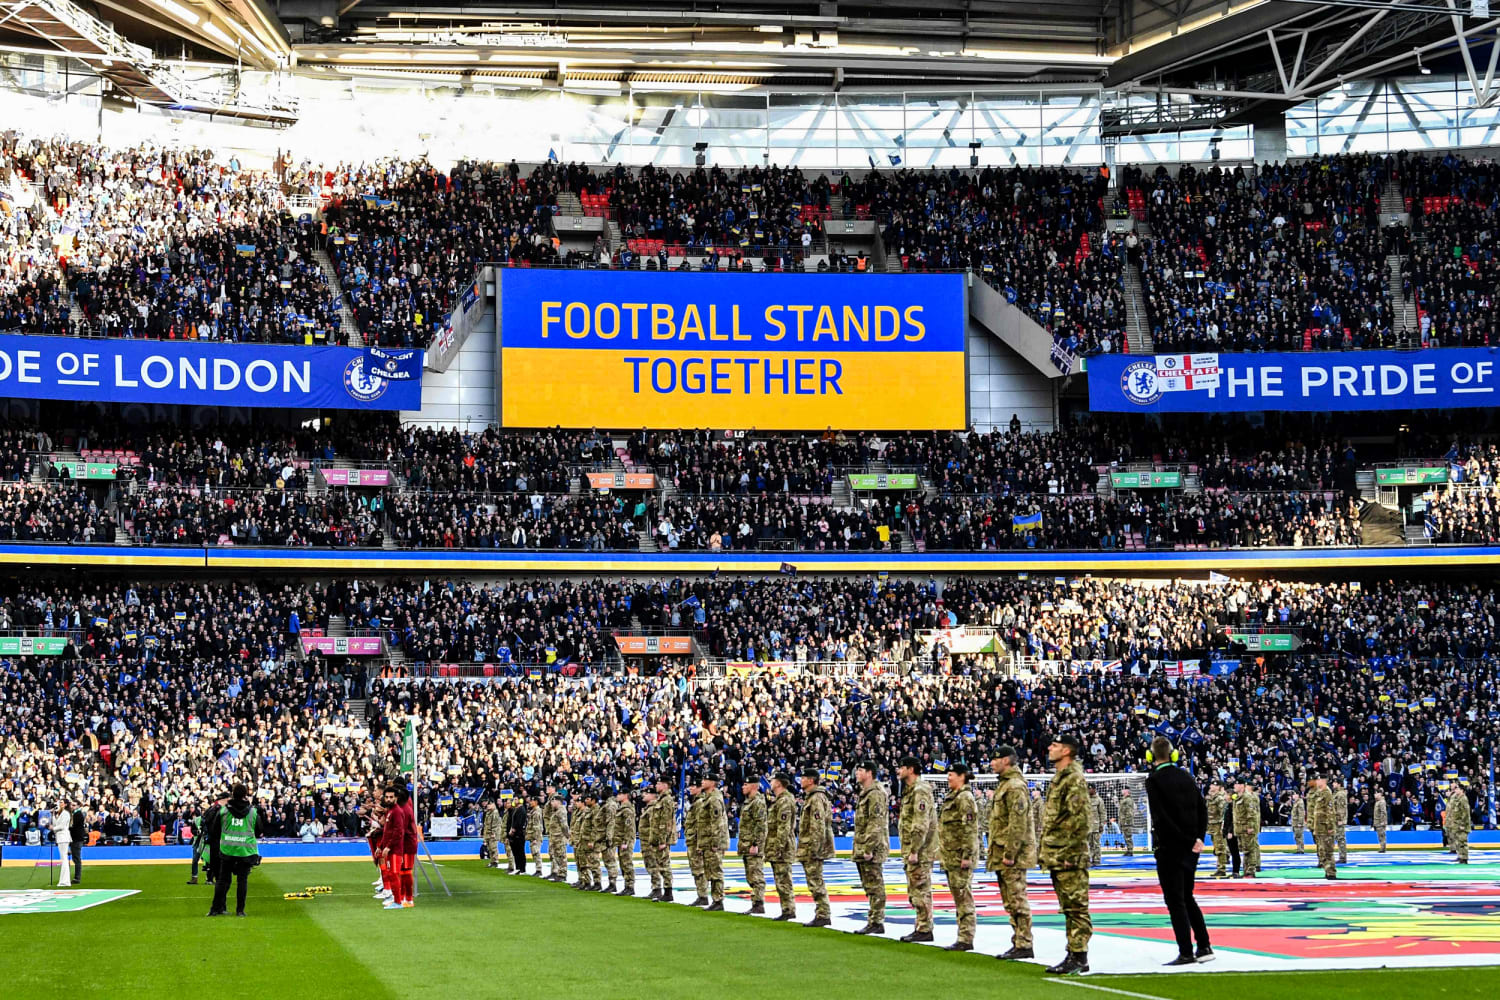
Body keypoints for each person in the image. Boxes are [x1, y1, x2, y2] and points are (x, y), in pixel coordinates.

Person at [1143, 737, 1213, 966]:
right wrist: (1198, 838)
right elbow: (1202, 809)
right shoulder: (1187, 776)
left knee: (1175, 901)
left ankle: (1186, 951)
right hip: (1192, 847)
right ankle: (1204, 945)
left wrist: (1182, 840)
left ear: (1151, 757)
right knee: (1187, 896)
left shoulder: (1154, 780)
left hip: (1170, 846)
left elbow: (1161, 817)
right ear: (1173, 755)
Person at [1040, 733, 1091, 976]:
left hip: (1070, 854)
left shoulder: (1073, 779)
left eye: (1055, 745)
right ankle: (1073, 952)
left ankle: (1079, 955)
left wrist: (1071, 851)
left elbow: (1080, 819)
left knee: (1076, 906)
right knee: (1067, 907)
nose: (1050, 748)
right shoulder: (1060, 778)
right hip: (1058, 853)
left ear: (1067, 751)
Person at [989, 746, 1035, 960]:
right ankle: (1018, 939)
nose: (991, 763)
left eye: (995, 759)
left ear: (1006, 760)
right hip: (1002, 852)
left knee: (1017, 898)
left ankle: (1024, 941)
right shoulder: (1006, 784)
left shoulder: (1015, 786)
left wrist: (1010, 852)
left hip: (1011, 855)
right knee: (1010, 900)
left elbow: (1018, 823)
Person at [207, 783, 266, 917]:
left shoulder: (224, 811)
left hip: (228, 850)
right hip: (246, 851)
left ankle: (215, 909)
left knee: (222, 881)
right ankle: (240, 910)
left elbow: (215, 830)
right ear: (245, 795)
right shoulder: (252, 811)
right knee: (242, 881)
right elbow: (260, 830)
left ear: (233, 794)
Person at [939, 763, 980, 951]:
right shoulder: (952, 797)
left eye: (952, 774)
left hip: (959, 856)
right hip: (950, 856)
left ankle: (966, 937)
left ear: (962, 776)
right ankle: (962, 935)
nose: (948, 778)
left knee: (964, 897)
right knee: (958, 897)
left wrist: (967, 855)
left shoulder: (965, 798)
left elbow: (970, 829)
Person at [897, 755, 937, 943]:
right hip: (915, 849)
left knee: (920, 888)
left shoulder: (919, 790)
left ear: (911, 769)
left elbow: (920, 823)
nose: (899, 770)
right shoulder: (911, 790)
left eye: (902, 767)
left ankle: (924, 928)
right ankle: (921, 925)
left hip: (920, 850)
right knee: (915, 889)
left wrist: (914, 850)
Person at [851, 761, 888, 935]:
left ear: (870, 773)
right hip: (863, 845)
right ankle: (873, 919)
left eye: (860, 770)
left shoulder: (875, 793)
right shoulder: (866, 792)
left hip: (871, 847)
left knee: (875, 885)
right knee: (869, 885)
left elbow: (876, 823)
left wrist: (869, 848)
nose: (857, 772)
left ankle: (877, 920)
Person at [797, 766, 835, 927]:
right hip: (809, 845)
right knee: (813, 881)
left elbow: (817, 825)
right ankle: (821, 912)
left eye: (804, 777)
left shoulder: (816, 798)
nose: (801, 780)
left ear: (811, 780)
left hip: (813, 846)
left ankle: (823, 913)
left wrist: (815, 847)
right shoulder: (812, 797)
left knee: (815, 881)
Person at [766, 771, 798, 921]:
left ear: (779, 783)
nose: (770, 782)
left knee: (783, 880)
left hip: (782, 848)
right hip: (776, 845)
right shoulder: (779, 800)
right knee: (780, 880)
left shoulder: (785, 800)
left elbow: (783, 828)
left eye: (773, 780)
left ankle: (789, 909)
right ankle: (786, 909)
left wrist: (778, 848)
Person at [380, 786, 418, 909]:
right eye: (387, 797)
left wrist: (388, 846)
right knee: (399, 872)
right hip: (401, 844)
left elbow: (399, 831)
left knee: (404, 872)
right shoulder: (394, 810)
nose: (389, 799)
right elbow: (389, 831)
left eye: (392, 797)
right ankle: (400, 899)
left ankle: (406, 899)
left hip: (405, 845)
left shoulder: (401, 810)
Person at [738, 775, 768, 914]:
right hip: (747, 844)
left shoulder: (757, 802)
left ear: (754, 786)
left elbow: (760, 824)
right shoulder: (748, 802)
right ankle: (756, 902)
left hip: (753, 844)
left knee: (756, 874)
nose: (743, 787)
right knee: (751, 875)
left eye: (746, 784)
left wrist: (755, 843)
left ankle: (758, 903)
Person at [700, 772, 730, 909]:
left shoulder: (714, 800)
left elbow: (717, 823)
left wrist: (715, 843)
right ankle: (715, 899)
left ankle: (718, 900)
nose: (702, 782)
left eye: (705, 780)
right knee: (710, 870)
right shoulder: (708, 798)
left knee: (716, 870)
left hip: (714, 842)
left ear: (712, 783)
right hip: (709, 841)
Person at [191, 790, 230, 886]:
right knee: (213, 860)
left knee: (212, 860)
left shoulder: (213, 809)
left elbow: (207, 822)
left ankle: (212, 879)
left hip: (210, 839)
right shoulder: (218, 810)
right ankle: (213, 879)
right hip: (212, 839)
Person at [1307, 773, 1337, 879]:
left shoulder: (1327, 793)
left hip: (1325, 827)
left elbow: (1330, 811)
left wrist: (1330, 827)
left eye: (1319, 779)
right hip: (1319, 827)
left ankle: (1331, 872)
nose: (1317, 781)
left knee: (1328, 851)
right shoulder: (1320, 792)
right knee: (1322, 850)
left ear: (1324, 781)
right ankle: (1327, 871)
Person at [684, 777, 707, 905]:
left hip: (696, 841)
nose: (690, 788)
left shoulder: (699, 803)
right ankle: (701, 895)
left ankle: (703, 895)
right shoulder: (696, 802)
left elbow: (701, 824)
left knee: (699, 869)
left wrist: (700, 843)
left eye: (693, 786)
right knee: (696, 869)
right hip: (692, 840)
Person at [1234, 776, 1261, 877]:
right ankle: (1246, 870)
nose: (1234, 786)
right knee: (1245, 850)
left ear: (1242, 785)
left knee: (1250, 849)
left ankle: (1251, 870)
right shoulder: (1237, 797)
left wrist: (1251, 826)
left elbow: (1251, 813)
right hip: (1240, 827)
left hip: (1247, 827)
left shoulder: (1247, 797)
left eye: (1236, 784)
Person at [611, 787, 636, 896]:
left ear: (625, 795)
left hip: (626, 840)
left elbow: (629, 827)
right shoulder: (621, 808)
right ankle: (627, 885)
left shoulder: (627, 809)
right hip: (621, 840)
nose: (618, 796)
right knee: (623, 863)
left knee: (627, 863)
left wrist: (626, 841)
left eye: (620, 794)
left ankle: (630, 886)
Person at [544, 786, 570, 881]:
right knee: (555, 855)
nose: (551, 803)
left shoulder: (561, 811)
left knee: (561, 855)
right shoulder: (556, 811)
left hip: (559, 836)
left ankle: (563, 874)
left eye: (553, 801)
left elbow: (564, 825)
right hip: (554, 835)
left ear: (558, 801)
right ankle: (558, 872)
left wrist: (567, 836)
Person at [1444, 783, 1472, 864]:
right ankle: (1460, 856)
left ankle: (1464, 858)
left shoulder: (1463, 799)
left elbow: (1465, 813)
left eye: (1457, 789)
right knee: (1457, 841)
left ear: (1462, 790)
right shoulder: (1456, 798)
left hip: (1462, 824)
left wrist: (1463, 824)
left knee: (1462, 841)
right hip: (1456, 824)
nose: (1455, 790)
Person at [1206, 781, 1230, 877]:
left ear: (1219, 787)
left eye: (1214, 785)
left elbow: (1223, 812)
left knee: (1220, 847)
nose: (1211, 786)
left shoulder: (1220, 798)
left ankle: (1221, 868)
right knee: (1217, 847)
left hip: (1219, 825)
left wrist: (1223, 826)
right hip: (1212, 825)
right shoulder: (1211, 797)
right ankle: (1220, 866)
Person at [52, 797, 73, 888]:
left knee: (64, 858)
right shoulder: (61, 813)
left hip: (63, 837)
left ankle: (65, 881)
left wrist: (53, 829)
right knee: (63, 858)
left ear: (65, 804)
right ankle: (64, 880)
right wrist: (53, 815)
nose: (60, 804)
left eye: (61, 802)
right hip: (60, 837)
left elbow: (61, 826)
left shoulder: (66, 814)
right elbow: (56, 824)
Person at [508, 791, 529, 875]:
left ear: (520, 800)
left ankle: (522, 868)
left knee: (520, 851)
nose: (514, 800)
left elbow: (519, 822)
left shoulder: (521, 810)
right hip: (515, 834)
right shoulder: (516, 810)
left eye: (516, 799)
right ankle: (518, 867)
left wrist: (513, 829)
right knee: (515, 852)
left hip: (519, 834)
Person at [526, 789, 545, 875]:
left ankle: (539, 869)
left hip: (535, 836)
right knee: (534, 853)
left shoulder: (536, 812)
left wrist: (535, 838)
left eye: (532, 801)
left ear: (536, 802)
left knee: (536, 852)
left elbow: (537, 826)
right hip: (532, 835)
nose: (530, 802)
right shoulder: (533, 811)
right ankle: (538, 869)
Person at [1087, 786, 1105, 867]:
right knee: (1089, 844)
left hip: (1095, 826)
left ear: (1094, 789)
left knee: (1096, 844)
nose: (1088, 790)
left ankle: (1097, 859)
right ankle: (1089, 859)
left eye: (1090, 788)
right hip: (1087, 826)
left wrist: (1101, 824)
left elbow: (1102, 813)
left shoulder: (1099, 800)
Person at [481, 800, 503, 868]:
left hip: (493, 833)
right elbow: (486, 824)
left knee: (493, 847)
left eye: (490, 804)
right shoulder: (488, 813)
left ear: (493, 804)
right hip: (488, 832)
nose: (488, 805)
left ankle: (495, 861)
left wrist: (493, 833)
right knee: (489, 848)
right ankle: (492, 861)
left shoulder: (495, 813)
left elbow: (495, 824)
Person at [1333, 778, 1349, 864]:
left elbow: (1341, 808)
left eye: (1334, 783)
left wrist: (1340, 819)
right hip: (1335, 819)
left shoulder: (1340, 794)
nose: (1333, 784)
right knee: (1338, 837)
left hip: (1338, 820)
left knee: (1340, 838)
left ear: (1339, 784)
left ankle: (1343, 857)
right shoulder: (1336, 793)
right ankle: (1341, 856)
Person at [1118, 788, 1137, 858]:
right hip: (1124, 821)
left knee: (1128, 837)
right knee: (1126, 836)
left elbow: (1129, 812)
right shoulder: (1124, 799)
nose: (1122, 790)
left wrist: (1127, 821)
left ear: (1127, 791)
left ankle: (1130, 850)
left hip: (1127, 822)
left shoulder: (1128, 800)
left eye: (1124, 789)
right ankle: (1129, 850)